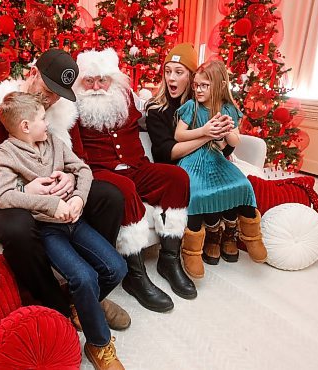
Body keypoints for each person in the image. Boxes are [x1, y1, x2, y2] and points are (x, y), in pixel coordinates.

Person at [0, 49, 131, 330]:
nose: (51, 99)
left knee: (110, 196)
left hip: (53, 189)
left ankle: (89, 294)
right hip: (4, 196)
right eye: (48, 89)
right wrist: (24, 188)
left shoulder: (60, 113)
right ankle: (57, 305)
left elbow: (78, 162)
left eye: (58, 94)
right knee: (18, 226)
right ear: (33, 73)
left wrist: (71, 181)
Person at [0, 92, 127, 370]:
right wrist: (50, 204)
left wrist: (78, 196)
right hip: (48, 229)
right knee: (84, 276)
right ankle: (99, 344)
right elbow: (2, 195)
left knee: (117, 267)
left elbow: (83, 170)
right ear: (25, 126)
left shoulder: (53, 140)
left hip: (75, 221)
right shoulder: (6, 152)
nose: (48, 123)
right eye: (42, 118)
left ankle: (82, 306)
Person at [69, 48, 196, 313]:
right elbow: (76, 157)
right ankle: (135, 276)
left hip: (138, 167)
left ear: (113, 80)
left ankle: (169, 259)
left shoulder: (123, 96)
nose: (96, 86)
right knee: (124, 189)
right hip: (101, 173)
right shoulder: (73, 107)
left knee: (176, 177)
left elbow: (147, 117)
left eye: (102, 80)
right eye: (89, 80)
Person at [145, 43, 235, 278]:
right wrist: (206, 134)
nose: (171, 78)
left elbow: (225, 146)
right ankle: (184, 253)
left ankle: (220, 235)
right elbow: (166, 152)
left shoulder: (203, 104)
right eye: (167, 71)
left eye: (179, 72)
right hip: (173, 168)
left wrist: (225, 141)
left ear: (192, 76)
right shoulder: (157, 109)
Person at [174, 59, 267, 267]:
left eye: (204, 86)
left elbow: (234, 141)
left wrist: (226, 133)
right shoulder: (192, 107)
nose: (198, 90)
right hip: (192, 159)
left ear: (219, 85)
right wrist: (205, 131)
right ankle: (192, 249)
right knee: (197, 192)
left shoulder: (228, 109)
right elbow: (179, 135)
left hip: (216, 157)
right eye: (196, 85)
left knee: (243, 185)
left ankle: (246, 236)